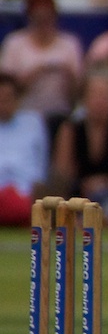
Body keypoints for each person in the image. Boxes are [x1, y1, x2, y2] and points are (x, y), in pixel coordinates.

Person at [52, 70, 108, 222]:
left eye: (105, 96)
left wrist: (104, 182)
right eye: (95, 96)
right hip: (78, 196)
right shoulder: (70, 130)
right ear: (84, 99)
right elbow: (62, 173)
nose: (100, 102)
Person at [1, 0, 83, 117]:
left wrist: (68, 75)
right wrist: (35, 74)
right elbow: (6, 88)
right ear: (29, 18)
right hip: (24, 114)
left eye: (48, 17)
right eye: (38, 18)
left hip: (61, 114)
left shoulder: (70, 44)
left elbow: (79, 91)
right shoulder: (14, 43)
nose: (43, 23)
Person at [0, 73, 47, 224]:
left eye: (7, 97)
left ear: (17, 98)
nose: (3, 102)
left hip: (24, 193)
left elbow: (41, 165)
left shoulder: (33, 122)